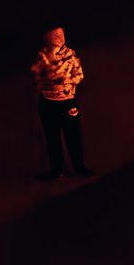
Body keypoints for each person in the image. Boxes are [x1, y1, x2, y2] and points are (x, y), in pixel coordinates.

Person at [30, 25, 92, 178]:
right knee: (52, 137)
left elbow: (80, 75)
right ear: (47, 39)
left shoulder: (70, 55)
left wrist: (66, 84)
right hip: (48, 102)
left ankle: (79, 166)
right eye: (55, 36)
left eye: (61, 36)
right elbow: (36, 76)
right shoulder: (42, 56)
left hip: (67, 101)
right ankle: (57, 169)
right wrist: (47, 84)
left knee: (73, 136)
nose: (59, 39)